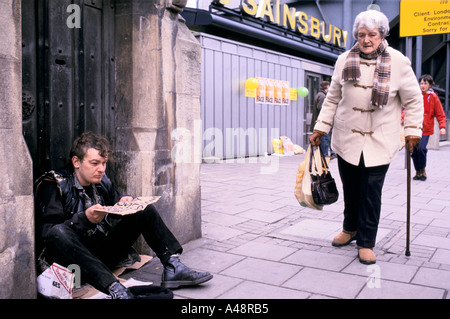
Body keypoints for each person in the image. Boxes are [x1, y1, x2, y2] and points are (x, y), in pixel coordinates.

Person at [35, 132, 213, 299]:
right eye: (95, 163)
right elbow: (49, 234)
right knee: (58, 232)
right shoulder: (53, 184)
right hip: (72, 263)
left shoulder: (101, 180)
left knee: (143, 209)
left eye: (104, 163)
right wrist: (84, 219)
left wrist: (125, 202)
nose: (101, 169)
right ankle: (116, 289)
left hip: (100, 253)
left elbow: (115, 200)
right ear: (76, 162)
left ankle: (173, 266)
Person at [309, 10, 424, 265]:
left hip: (380, 140)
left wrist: (413, 130)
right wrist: (320, 128)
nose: (366, 40)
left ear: (382, 34)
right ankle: (350, 229)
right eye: (361, 35)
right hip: (347, 138)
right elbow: (332, 98)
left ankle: (366, 241)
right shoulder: (343, 60)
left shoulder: (398, 61)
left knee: (371, 193)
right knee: (350, 189)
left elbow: (414, 100)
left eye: (372, 34)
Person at [411, 74, 447, 181]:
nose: (422, 85)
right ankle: (417, 171)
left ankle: (422, 170)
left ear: (430, 85)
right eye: (421, 83)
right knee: (413, 151)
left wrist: (442, 126)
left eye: (425, 83)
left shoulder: (433, 97)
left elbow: (440, 113)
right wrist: (403, 117)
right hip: (414, 126)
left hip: (426, 129)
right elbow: (408, 108)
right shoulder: (416, 95)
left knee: (421, 149)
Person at [311, 81, 336, 159]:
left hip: (320, 121)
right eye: (329, 87)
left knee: (324, 139)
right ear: (326, 88)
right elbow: (321, 108)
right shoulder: (322, 96)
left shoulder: (320, 95)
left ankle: (325, 154)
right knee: (324, 139)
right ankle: (324, 155)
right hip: (322, 122)